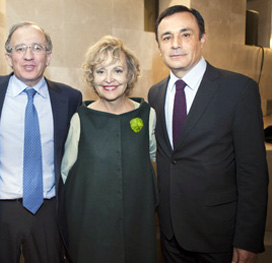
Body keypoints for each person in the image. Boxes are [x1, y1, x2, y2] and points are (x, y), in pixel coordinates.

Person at [148, 5, 268, 263]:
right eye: (166, 37)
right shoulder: (155, 94)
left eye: (186, 34)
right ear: (159, 46)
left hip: (219, 237)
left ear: (202, 38)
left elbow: (253, 172)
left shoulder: (238, 90)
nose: (176, 44)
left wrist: (247, 239)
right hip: (170, 236)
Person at [0, 21, 82, 262]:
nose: (28, 56)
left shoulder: (69, 98)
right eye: (20, 49)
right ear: (8, 57)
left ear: (48, 56)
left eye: (37, 48)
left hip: (48, 210)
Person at [61, 35, 158, 262]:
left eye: (117, 70)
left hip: (137, 221)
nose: (109, 79)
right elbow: (67, 173)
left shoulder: (147, 114)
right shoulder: (80, 118)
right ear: (92, 77)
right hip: (92, 225)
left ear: (130, 74)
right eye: (101, 71)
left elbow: (154, 157)